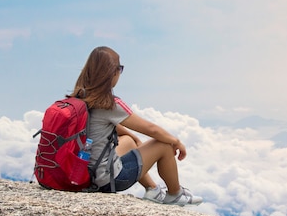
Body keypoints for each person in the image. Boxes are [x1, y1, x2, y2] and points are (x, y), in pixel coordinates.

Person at [70, 46, 202, 205]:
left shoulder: (80, 97)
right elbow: (151, 129)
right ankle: (175, 194)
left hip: (83, 172)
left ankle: (153, 190)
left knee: (128, 141)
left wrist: (134, 140)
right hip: (107, 180)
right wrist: (176, 142)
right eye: (120, 69)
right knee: (164, 144)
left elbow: (108, 126)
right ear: (112, 72)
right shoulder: (108, 103)